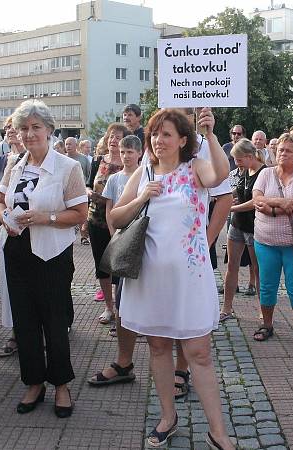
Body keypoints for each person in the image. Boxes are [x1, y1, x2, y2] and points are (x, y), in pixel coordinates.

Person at [113, 107, 232, 449]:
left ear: (182, 140)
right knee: (158, 346)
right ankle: (168, 417)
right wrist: (140, 197)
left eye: (166, 134)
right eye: (155, 133)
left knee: (199, 353)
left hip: (190, 277)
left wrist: (210, 133)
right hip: (150, 277)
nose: (158, 140)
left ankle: (218, 432)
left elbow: (219, 176)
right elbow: (117, 217)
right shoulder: (144, 171)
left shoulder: (195, 167)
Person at [0, 99, 88, 418]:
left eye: (36, 127)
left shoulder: (67, 166)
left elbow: (79, 213)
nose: (29, 134)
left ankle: (61, 384)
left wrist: (45, 217)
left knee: (54, 321)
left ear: (49, 130)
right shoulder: (15, 163)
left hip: (51, 253)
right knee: (25, 322)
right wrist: (4, 217)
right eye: (23, 128)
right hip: (17, 249)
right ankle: (33, 382)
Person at [251, 133, 293, 344]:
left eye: (288, 151)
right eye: (280, 149)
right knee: (267, 285)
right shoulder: (265, 174)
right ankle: (266, 324)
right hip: (265, 241)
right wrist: (280, 202)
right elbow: (257, 200)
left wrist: (270, 208)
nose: (283, 154)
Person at [0, 116, 26, 358]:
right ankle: (14, 334)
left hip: (36, 231)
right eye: (8, 127)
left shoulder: (40, 158)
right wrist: (9, 169)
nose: (11, 131)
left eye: (16, 127)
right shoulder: (0, 161)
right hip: (6, 231)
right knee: (9, 286)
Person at [220, 138, 265, 322]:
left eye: (238, 160)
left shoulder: (264, 172)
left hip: (255, 227)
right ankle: (226, 308)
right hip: (237, 225)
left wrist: (231, 208)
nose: (236, 164)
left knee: (258, 269)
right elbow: (238, 193)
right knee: (231, 266)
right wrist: (231, 200)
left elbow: (257, 202)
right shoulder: (244, 171)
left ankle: (264, 311)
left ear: (249, 156)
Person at [101, 135, 142, 336]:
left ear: (139, 153)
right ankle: (120, 321)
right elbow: (110, 207)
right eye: (123, 152)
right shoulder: (114, 178)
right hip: (120, 233)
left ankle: (139, 322)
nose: (125, 156)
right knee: (120, 282)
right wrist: (112, 233)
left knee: (139, 280)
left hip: (139, 233)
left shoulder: (145, 176)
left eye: (130, 152)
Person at [86, 124, 127, 324]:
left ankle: (122, 309)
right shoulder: (97, 161)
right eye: (111, 136)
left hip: (120, 221)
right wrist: (88, 193)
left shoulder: (130, 164)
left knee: (119, 266)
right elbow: (88, 183)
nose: (113, 140)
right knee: (101, 265)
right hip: (96, 219)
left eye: (118, 137)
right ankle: (108, 307)